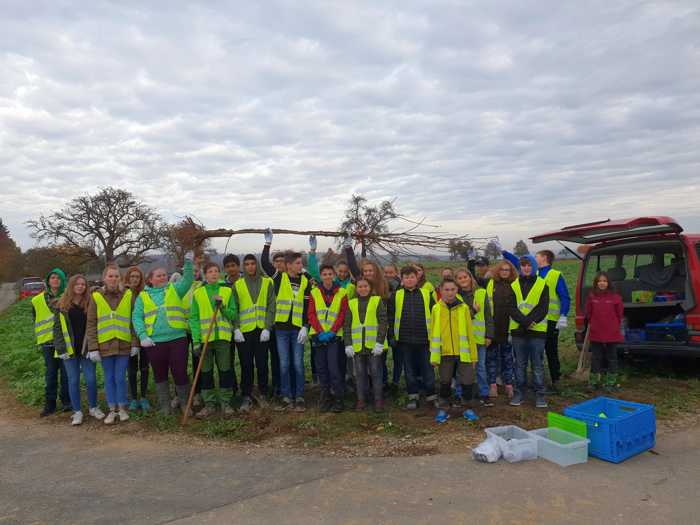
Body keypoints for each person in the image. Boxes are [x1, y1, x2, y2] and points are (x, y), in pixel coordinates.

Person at [132, 254, 194, 416]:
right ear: (150, 280)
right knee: (160, 374)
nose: (163, 277)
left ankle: (184, 405)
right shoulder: (143, 297)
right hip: (154, 342)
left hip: (177, 339)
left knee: (180, 372)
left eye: (164, 275)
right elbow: (137, 317)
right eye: (158, 275)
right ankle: (165, 407)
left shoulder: (174, 289)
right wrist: (142, 335)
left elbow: (187, 280)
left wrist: (188, 262)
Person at [87, 264, 136, 424]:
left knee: (120, 377)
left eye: (116, 276)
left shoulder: (128, 295)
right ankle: (111, 410)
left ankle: (122, 409)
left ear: (120, 278)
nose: (113, 279)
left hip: (123, 345)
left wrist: (135, 343)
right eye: (110, 276)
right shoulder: (96, 297)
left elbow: (133, 321)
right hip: (104, 346)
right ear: (104, 278)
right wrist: (93, 347)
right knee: (109, 378)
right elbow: (91, 323)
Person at [52, 274, 105, 425]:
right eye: (77, 284)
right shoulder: (61, 304)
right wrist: (61, 348)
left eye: (83, 284)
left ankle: (93, 407)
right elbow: (56, 328)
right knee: (73, 380)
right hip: (69, 350)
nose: (80, 286)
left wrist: (94, 346)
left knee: (91, 379)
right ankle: (77, 412)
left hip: (86, 348)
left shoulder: (91, 301)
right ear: (71, 285)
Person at [189, 262, 238, 418]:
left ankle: (226, 403)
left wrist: (222, 306)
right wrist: (196, 341)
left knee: (225, 371)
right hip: (205, 340)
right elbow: (194, 319)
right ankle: (209, 404)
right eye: (210, 271)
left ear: (220, 274)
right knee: (206, 372)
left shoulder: (227, 291)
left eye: (216, 271)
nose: (214, 274)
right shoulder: (198, 293)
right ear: (205, 274)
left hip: (223, 339)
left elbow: (233, 315)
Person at [388, 265, 436, 409]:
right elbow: (391, 317)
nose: (409, 280)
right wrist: (391, 336)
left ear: (417, 278)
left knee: (428, 368)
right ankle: (413, 396)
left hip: (424, 339)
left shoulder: (426, 294)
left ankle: (431, 396)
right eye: (406, 277)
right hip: (404, 340)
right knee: (408, 370)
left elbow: (434, 315)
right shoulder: (396, 295)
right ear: (401, 280)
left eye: (412, 277)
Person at [232, 254, 276, 411]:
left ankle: (263, 394)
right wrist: (236, 328)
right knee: (246, 365)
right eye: (247, 264)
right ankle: (246, 395)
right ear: (244, 267)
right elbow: (234, 308)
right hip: (244, 332)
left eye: (253, 263)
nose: (250, 266)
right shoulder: (238, 285)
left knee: (263, 364)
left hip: (261, 331)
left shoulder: (267, 282)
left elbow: (272, 306)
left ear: (257, 265)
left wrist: (267, 327)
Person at [429, 278, 478, 408]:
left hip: (463, 352)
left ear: (457, 290)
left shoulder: (464, 309)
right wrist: (434, 356)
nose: (450, 293)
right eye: (446, 290)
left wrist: (473, 356)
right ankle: (444, 401)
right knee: (445, 379)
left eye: (453, 289)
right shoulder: (436, 309)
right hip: (445, 352)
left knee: (467, 379)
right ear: (441, 290)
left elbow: (469, 333)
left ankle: (467, 402)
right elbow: (433, 333)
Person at [509, 255, 549, 409]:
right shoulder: (513, 285)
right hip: (519, 332)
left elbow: (543, 307)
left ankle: (539, 394)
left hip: (537, 332)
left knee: (537, 365)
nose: (526, 268)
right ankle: (519, 393)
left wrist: (530, 321)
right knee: (519, 364)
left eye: (529, 265)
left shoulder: (542, 284)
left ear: (534, 267)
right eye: (523, 265)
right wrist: (525, 322)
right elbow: (511, 307)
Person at [273, 251, 312, 411]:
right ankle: (286, 396)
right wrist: (267, 244)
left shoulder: (305, 281)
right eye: (297, 263)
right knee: (284, 364)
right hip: (281, 329)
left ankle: (300, 396)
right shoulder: (279, 278)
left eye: (301, 263)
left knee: (297, 364)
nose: (300, 266)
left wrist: (305, 326)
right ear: (288, 265)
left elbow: (307, 306)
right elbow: (264, 262)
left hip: (297, 329)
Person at [309, 264, 348, 412]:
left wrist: (332, 331)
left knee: (333, 368)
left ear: (334, 275)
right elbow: (311, 314)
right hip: (319, 336)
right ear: (321, 276)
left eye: (330, 274)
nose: (327, 277)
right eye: (324, 274)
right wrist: (320, 332)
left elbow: (342, 314)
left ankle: (338, 398)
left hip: (334, 337)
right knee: (321, 368)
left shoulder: (342, 292)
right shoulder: (314, 292)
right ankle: (325, 398)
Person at [344, 278, 387, 412]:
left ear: (370, 287)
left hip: (373, 346)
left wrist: (379, 343)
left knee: (375, 372)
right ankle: (361, 400)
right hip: (357, 347)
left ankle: (378, 400)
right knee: (359, 374)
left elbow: (383, 322)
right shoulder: (351, 303)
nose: (363, 289)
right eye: (360, 286)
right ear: (356, 288)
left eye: (365, 286)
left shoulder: (376, 301)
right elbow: (347, 325)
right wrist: (348, 344)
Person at [32, 267, 70, 417]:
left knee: (67, 374)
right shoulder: (37, 300)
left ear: (63, 281)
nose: (55, 280)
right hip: (48, 342)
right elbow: (35, 319)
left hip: (65, 342)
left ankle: (67, 402)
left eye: (58, 278)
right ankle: (50, 404)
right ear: (48, 281)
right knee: (51, 373)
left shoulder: (68, 297)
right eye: (53, 277)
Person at [455, 269, 494, 407]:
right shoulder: (455, 297)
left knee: (480, 368)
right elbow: (458, 318)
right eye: (460, 278)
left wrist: (489, 335)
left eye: (465, 276)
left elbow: (489, 316)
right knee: (462, 368)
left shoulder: (481, 293)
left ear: (471, 278)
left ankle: (484, 394)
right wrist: (473, 311)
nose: (463, 279)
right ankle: (460, 394)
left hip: (479, 338)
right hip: (462, 339)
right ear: (456, 281)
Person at [535, 249, 570, 394]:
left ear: (544, 258)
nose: (535, 259)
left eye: (537, 256)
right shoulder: (535, 274)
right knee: (537, 352)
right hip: (537, 320)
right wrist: (504, 252)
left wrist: (563, 315)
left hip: (551, 320)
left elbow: (565, 297)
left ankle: (556, 381)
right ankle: (539, 382)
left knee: (551, 351)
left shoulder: (555, 275)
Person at [584, 272, 624, 391]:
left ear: (608, 283)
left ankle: (610, 383)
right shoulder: (592, 297)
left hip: (612, 332)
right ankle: (593, 382)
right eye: (600, 281)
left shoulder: (615, 297)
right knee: (596, 357)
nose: (602, 283)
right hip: (596, 332)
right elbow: (589, 313)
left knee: (612, 357)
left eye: (605, 281)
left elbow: (619, 314)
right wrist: (595, 324)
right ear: (596, 283)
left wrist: (613, 325)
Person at [485, 259, 517, 401]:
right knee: (491, 358)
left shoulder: (515, 284)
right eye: (502, 269)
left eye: (507, 270)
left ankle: (508, 384)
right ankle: (492, 385)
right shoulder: (491, 284)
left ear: (511, 272)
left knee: (508, 358)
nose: (504, 272)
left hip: (509, 327)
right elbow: (487, 306)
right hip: (494, 327)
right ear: (498, 271)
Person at [124, 266, 149, 412]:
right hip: (128, 335)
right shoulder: (124, 293)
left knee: (145, 367)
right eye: (132, 276)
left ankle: (144, 396)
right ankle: (133, 398)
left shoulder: (145, 293)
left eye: (137, 277)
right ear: (127, 278)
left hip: (144, 334)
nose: (134, 279)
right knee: (132, 369)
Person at [222, 253, 242, 400]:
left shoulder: (245, 282)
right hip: (227, 329)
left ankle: (246, 388)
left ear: (238, 266)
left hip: (244, 327)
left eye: (233, 265)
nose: (231, 269)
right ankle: (233, 388)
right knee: (228, 361)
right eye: (228, 266)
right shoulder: (222, 285)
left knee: (245, 360)